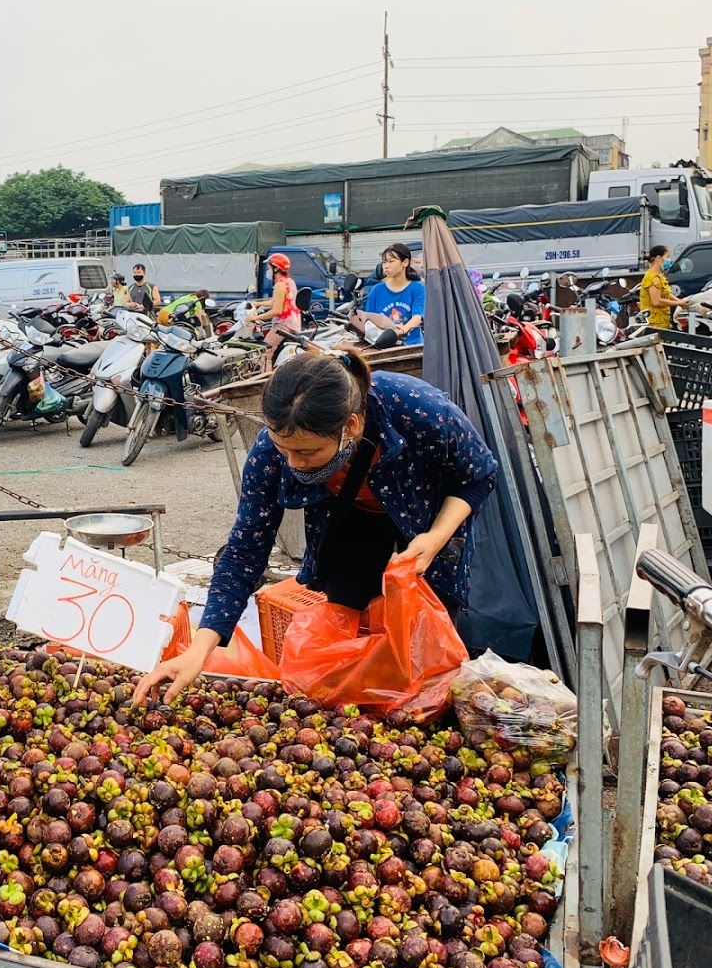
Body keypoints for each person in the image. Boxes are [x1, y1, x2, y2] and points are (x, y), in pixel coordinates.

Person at [133, 352, 497, 706]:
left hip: (424, 518)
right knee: (348, 619)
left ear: (350, 426)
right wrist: (200, 650)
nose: (294, 462)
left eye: (307, 452)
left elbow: (478, 477)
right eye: (284, 449)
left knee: (427, 640)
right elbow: (245, 552)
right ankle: (365, 700)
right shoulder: (270, 452)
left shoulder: (418, 410)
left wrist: (434, 538)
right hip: (350, 519)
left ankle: (423, 702)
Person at [245, 252, 302, 368]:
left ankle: (263, 382)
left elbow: (277, 310)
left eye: (270, 267)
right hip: (293, 324)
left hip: (282, 326)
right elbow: (276, 301)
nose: (268, 270)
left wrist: (255, 317)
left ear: (276, 268)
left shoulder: (280, 285)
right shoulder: (289, 282)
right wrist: (257, 303)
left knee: (265, 352)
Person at [364, 244, 425, 346]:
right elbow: (369, 320)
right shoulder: (376, 290)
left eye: (391, 261)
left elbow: (417, 317)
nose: (386, 266)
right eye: (384, 262)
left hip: (411, 346)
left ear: (405, 262)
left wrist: (402, 330)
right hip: (382, 347)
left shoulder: (418, 288)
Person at [637, 245, 688, 330]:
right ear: (658, 258)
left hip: (662, 320)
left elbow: (666, 294)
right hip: (654, 323)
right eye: (667, 257)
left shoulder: (660, 276)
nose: (669, 260)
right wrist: (678, 303)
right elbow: (656, 301)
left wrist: (680, 302)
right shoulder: (652, 277)